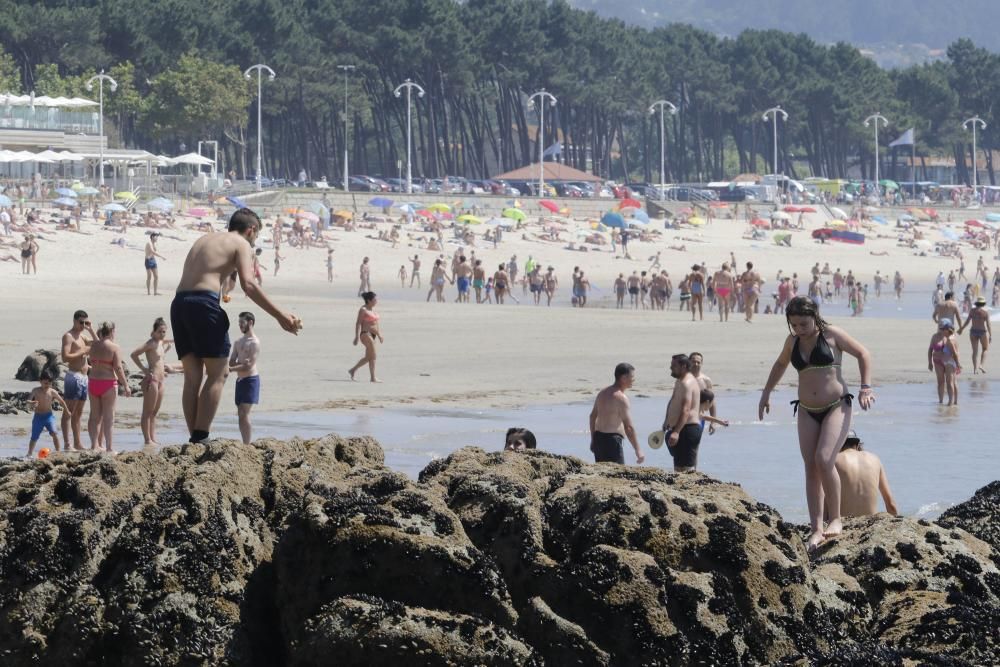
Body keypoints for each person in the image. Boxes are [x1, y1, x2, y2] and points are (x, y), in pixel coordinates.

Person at [171, 208, 300, 444]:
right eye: (256, 236)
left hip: (179, 304)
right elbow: (248, 285)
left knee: (192, 377)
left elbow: (214, 275)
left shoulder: (206, 239)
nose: (254, 241)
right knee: (219, 372)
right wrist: (280, 315)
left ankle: (195, 438)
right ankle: (201, 437)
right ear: (250, 230)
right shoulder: (241, 243)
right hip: (203, 304)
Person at [758, 296, 874, 551]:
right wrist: (766, 393)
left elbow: (863, 353)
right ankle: (816, 529)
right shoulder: (793, 341)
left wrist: (865, 387)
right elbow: (780, 364)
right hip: (807, 410)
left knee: (824, 459)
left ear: (815, 316)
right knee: (810, 467)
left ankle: (836, 519)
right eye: (794, 325)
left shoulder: (832, 335)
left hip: (837, 406)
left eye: (804, 323)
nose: (799, 329)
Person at [130, 317, 180, 446]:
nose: (162, 334)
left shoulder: (161, 342)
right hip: (152, 380)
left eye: (164, 332)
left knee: (154, 413)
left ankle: (153, 439)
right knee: (147, 412)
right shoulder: (151, 343)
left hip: (161, 381)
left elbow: (170, 341)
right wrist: (144, 369)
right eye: (159, 331)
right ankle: (147, 440)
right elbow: (134, 354)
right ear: (153, 332)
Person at [87, 322, 132, 453]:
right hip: (108, 383)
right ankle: (109, 448)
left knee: (95, 417)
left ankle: (94, 446)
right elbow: (118, 368)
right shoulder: (115, 347)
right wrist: (126, 385)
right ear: (112, 331)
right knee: (109, 418)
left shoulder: (94, 345)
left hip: (93, 382)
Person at [588, 363, 644, 465]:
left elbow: (592, 417)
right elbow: (629, 427)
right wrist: (638, 450)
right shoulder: (621, 398)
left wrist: (593, 440)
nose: (633, 380)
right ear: (623, 378)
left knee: (603, 476)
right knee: (618, 477)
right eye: (632, 377)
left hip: (598, 439)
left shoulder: (602, 393)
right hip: (612, 442)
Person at [835, 431, 898, 517]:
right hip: (869, 524)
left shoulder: (835, 461)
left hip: (844, 525)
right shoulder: (875, 459)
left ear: (838, 445)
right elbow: (891, 504)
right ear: (857, 445)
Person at [661, 354, 702, 471]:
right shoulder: (680, 381)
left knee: (686, 470)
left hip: (687, 429)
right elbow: (673, 400)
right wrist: (667, 420)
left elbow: (686, 409)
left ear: (683, 366)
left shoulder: (687, 383)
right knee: (678, 468)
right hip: (679, 428)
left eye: (673, 365)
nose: (671, 368)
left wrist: (676, 432)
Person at [61, 310, 94, 450]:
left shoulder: (83, 336)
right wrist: (83, 351)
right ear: (74, 321)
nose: (83, 325)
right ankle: (67, 443)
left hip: (84, 377)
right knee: (69, 411)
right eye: (81, 322)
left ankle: (77, 442)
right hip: (73, 376)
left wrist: (91, 329)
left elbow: (98, 343)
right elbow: (65, 357)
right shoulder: (68, 336)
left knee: (79, 412)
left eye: (85, 323)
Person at [229, 312, 261, 444]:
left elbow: (249, 366)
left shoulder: (255, 343)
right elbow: (231, 361)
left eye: (242, 322)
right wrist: (238, 366)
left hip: (251, 380)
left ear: (250, 323)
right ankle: (245, 442)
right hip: (240, 380)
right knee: (240, 413)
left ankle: (247, 444)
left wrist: (232, 368)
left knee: (244, 412)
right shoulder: (238, 342)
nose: (240, 325)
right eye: (239, 323)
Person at [27, 372, 70, 457]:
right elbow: (27, 401)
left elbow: (62, 401)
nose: (48, 385)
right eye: (45, 383)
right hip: (38, 417)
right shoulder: (35, 390)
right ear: (40, 381)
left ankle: (58, 452)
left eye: (50, 383)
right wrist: (32, 402)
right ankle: (29, 454)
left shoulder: (52, 391)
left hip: (49, 416)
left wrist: (67, 411)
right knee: (34, 437)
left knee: (54, 433)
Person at [349, 292, 383, 382]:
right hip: (365, 333)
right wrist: (356, 337)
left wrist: (379, 335)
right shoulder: (363, 310)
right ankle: (373, 377)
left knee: (369, 357)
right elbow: (358, 323)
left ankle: (353, 370)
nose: (376, 301)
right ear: (369, 300)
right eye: (375, 299)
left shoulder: (373, 310)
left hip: (373, 335)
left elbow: (376, 325)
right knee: (374, 355)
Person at [928, 318, 961, 405]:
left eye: (942, 328)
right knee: (940, 381)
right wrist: (930, 362)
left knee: (952, 381)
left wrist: (958, 363)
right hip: (938, 361)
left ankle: (954, 401)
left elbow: (955, 351)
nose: (940, 329)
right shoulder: (935, 337)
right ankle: (941, 401)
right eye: (940, 327)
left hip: (949, 361)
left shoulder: (950, 338)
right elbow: (930, 349)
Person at [959, 296, 991, 373]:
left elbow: (967, 322)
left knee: (975, 351)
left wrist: (961, 329)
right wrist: (990, 335)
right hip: (982, 332)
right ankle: (981, 365)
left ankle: (975, 369)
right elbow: (988, 325)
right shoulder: (985, 312)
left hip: (973, 332)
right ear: (983, 304)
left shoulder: (972, 311)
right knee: (985, 349)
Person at [689, 352, 718, 435]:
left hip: (699, 418)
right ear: (689, 362)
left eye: (698, 362)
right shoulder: (682, 380)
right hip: (683, 418)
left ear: (701, 363)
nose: (696, 364)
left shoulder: (706, 380)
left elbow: (712, 402)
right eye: (693, 361)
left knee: (695, 445)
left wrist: (713, 422)